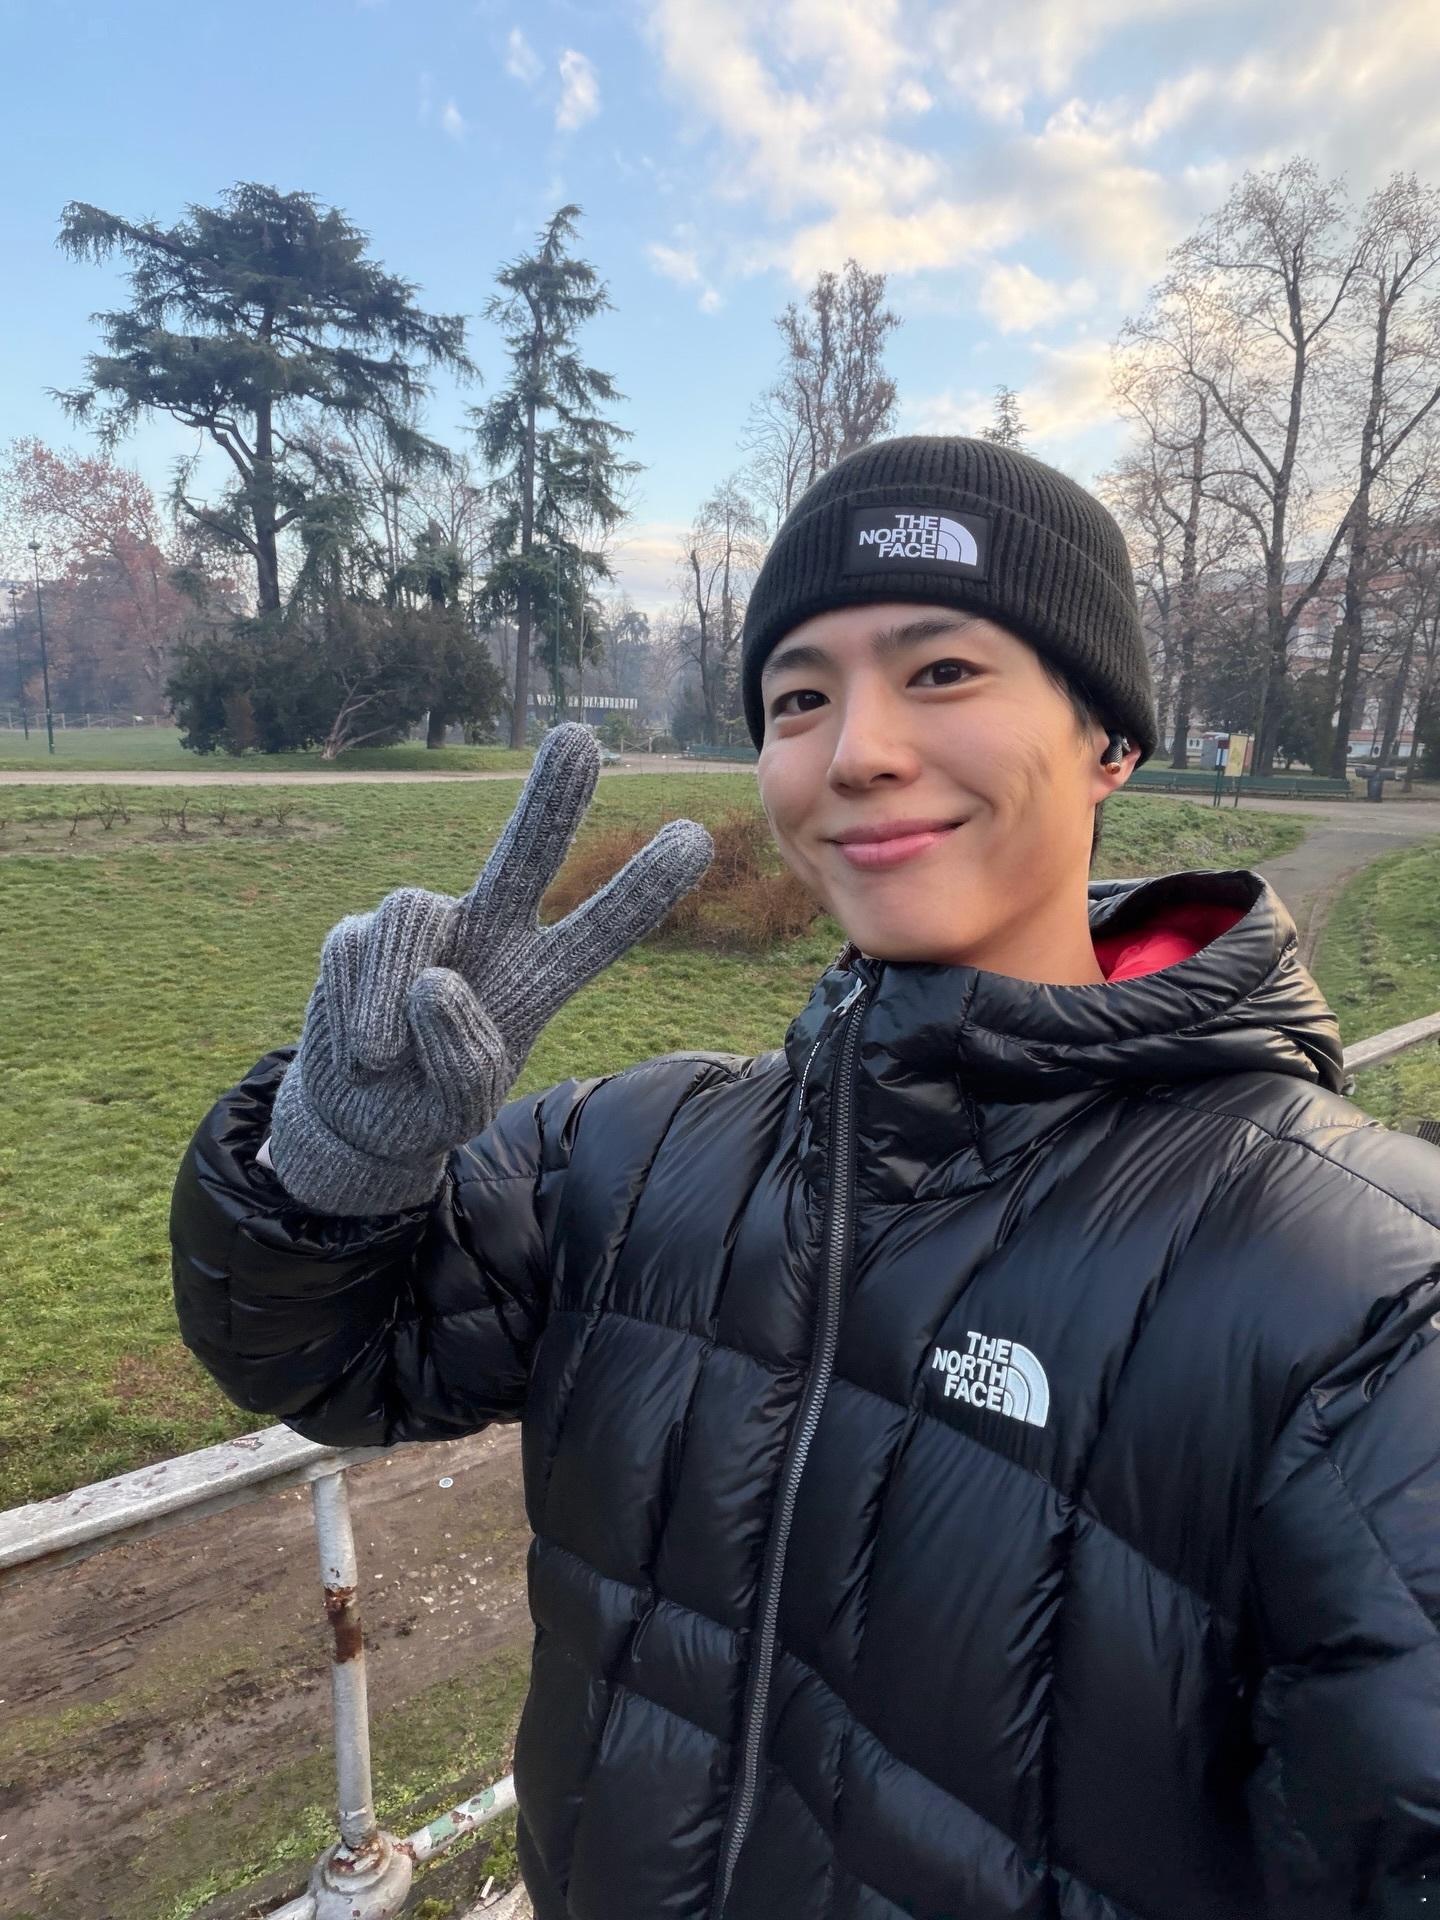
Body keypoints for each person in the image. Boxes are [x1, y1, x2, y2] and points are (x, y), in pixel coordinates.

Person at [171, 436, 1440, 1920]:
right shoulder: (629, 1155)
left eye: (943, 672)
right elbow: (330, 1361)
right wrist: (337, 1162)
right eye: (799, 698)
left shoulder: (1360, 1304)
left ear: (1111, 738)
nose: (857, 753)